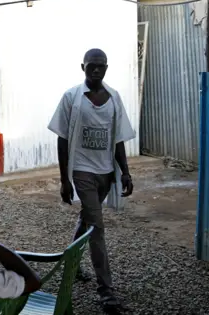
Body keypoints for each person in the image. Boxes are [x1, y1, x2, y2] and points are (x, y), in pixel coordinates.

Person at [48, 48, 135, 313]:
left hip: (105, 172)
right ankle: (106, 293)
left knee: (87, 219)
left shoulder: (113, 98)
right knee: (97, 228)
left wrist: (125, 171)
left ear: (106, 68)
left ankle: (70, 266)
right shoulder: (72, 98)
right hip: (82, 172)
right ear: (82, 67)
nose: (95, 70)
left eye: (100, 66)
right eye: (90, 66)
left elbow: (117, 138)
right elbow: (62, 138)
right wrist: (65, 179)